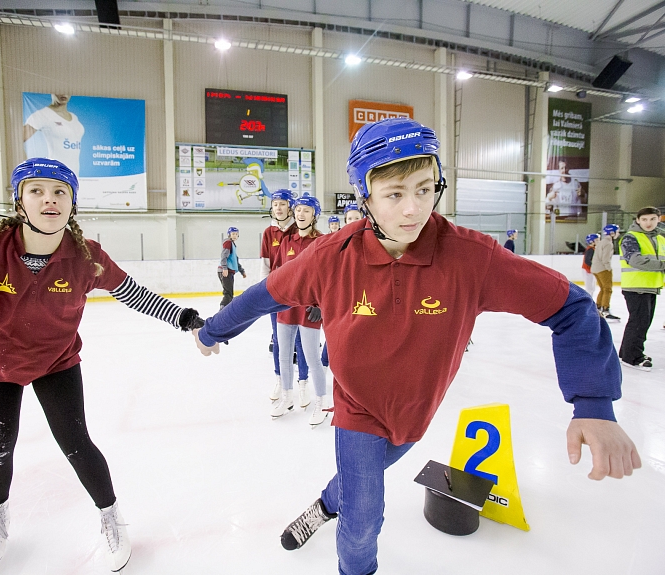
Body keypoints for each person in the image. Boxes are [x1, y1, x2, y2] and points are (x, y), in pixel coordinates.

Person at [192, 118, 640, 575]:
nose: (413, 210)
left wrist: (594, 403)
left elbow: (571, 308)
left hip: (416, 411)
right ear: (364, 195)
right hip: (358, 408)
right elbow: (263, 293)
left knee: (355, 489)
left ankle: (328, 503)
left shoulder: (471, 257)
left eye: (425, 190)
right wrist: (212, 332)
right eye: (395, 194)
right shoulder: (332, 257)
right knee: (364, 521)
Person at [0, 158, 204, 572]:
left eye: (60, 192)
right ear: (19, 201)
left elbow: (132, 293)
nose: (49, 200)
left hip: (56, 361)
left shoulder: (86, 256)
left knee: (77, 444)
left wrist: (182, 318)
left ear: (72, 204)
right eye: (37, 190)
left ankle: (110, 517)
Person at [271, 193, 328, 426]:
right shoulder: (286, 241)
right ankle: (286, 398)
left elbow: (328, 278)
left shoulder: (322, 242)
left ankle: (321, 403)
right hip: (286, 307)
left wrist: (321, 306)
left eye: (307, 210)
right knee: (284, 355)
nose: (301, 214)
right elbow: (276, 274)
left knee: (313, 358)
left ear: (314, 214)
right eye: (299, 210)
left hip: (309, 309)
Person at [261, 190, 309, 401]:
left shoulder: (300, 228)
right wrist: (264, 293)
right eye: (275, 204)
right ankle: (280, 380)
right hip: (276, 294)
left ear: (290, 207)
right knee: (279, 339)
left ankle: (303, 383)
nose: (278, 208)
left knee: (301, 339)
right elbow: (265, 265)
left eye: (282, 204)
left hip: (299, 294)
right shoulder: (268, 233)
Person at [618, 207, 665, 371]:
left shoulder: (660, 238)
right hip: (636, 286)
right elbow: (635, 260)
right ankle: (633, 357)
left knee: (641, 322)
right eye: (644, 219)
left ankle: (626, 352)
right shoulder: (630, 238)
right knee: (639, 323)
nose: (648, 223)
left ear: (659, 219)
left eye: (652, 219)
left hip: (651, 287)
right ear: (637, 220)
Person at [23, 94, 84, 177]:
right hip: (55, 174)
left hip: (74, 175)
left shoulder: (74, 117)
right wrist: (27, 168)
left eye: (67, 90)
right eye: (59, 90)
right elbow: (17, 140)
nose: (64, 93)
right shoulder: (42, 115)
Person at [592, 224, 621, 321]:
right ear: (612, 233)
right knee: (607, 289)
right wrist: (608, 268)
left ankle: (598, 307)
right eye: (617, 231)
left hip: (595, 268)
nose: (618, 233)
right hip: (602, 268)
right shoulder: (608, 243)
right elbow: (605, 258)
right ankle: (605, 309)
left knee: (603, 289)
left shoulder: (602, 242)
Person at [218, 226, 246, 310]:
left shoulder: (232, 245)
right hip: (225, 271)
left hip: (229, 271)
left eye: (236, 234)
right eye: (233, 234)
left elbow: (235, 260)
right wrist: (225, 268)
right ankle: (222, 310)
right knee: (228, 293)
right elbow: (223, 256)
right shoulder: (228, 243)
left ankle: (226, 310)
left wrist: (242, 271)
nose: (235, 235)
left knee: (229, 293)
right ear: (229, 234)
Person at [582, 233, 599, 297]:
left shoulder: (592, 249)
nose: (598, 241)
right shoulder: (590, 249)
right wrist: (593, 266)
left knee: (592, 287)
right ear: (592, 241)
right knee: (590, 288)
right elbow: (587, 260)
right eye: (597, 240)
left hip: (589, 270)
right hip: (588, 270)